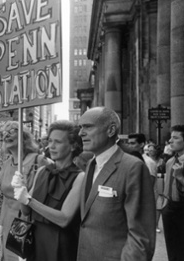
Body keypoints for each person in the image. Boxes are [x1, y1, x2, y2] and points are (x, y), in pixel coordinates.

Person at [76, 107, 155, 261]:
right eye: (80, 127)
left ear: (111, 130)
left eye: (88, 126)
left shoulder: (133, 167)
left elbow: (141, 237)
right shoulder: (91, 164)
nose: (81, 133)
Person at [12, 120, 85, 261]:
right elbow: (26, 211)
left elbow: (64, 219)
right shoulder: (41, 171)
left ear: (73, 146)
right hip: (35, 241)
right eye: (50, 141)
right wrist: (21, 190)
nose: (51, 146)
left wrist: (29, 200)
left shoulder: (80, 177)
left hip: (61, 245)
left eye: (57, 142)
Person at [0, 121, 50, 261]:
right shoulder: (6, 163)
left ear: (24, 137)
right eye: (4, 132)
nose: (7, 134)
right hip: (8, 226)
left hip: (29, 226)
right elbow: (6, 200)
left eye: (12, 130)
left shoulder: (39, 160)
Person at [162, 125, 184, 261]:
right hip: (170, 207)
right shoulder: (170, 161)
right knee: (172, 247)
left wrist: (181, 177)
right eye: (170, 137)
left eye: (175, 138)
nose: (170, 141)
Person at [148, 144, 165, 233]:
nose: (150, 152)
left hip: (158, 184)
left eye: (152, 150)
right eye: (149, 150)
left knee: (158, 205)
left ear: (156, 151)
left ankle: (156, 225)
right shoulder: (145, 160)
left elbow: (164, 173)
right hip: (149, 183)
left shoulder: (161, 161)